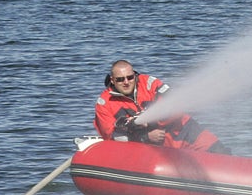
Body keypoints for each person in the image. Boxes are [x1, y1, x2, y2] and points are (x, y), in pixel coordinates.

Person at [93, 60, 221, 151]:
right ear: (112, 80)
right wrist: (145, 137)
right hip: (151, 149)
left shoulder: (149, 83)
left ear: (135, 75)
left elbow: (174, 105)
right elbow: (113, 137)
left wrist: (149, 122)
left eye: (130, 77)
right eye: (120, 79)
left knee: (220, 151)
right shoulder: (104, 103)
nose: (126, 82)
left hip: (184, 131)